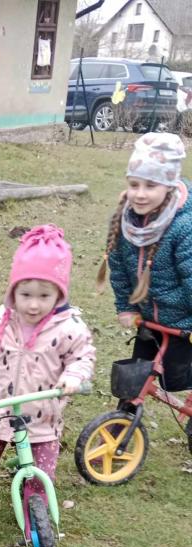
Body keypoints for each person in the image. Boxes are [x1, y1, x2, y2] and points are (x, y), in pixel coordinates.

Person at [0, 224, 95, 531]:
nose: (33, 304)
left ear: (59, 294)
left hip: (41, 419)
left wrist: (73, 376)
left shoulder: (69, 328)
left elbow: (82, 357)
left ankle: (35, 526)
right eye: (25, 294)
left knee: (39, 476)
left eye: (44, 295)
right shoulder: (1, 321)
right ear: (12, 291)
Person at [97, 131, 192, 393]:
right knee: (132, 381)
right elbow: (119, 271)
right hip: (148, 320)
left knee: (175, 381)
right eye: (134, 184)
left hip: (183, 324)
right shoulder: (125, 221)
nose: (140, 194)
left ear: (169, 186)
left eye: (150, 186)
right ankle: (125, 416)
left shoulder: (184, 227)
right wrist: (126, 307)